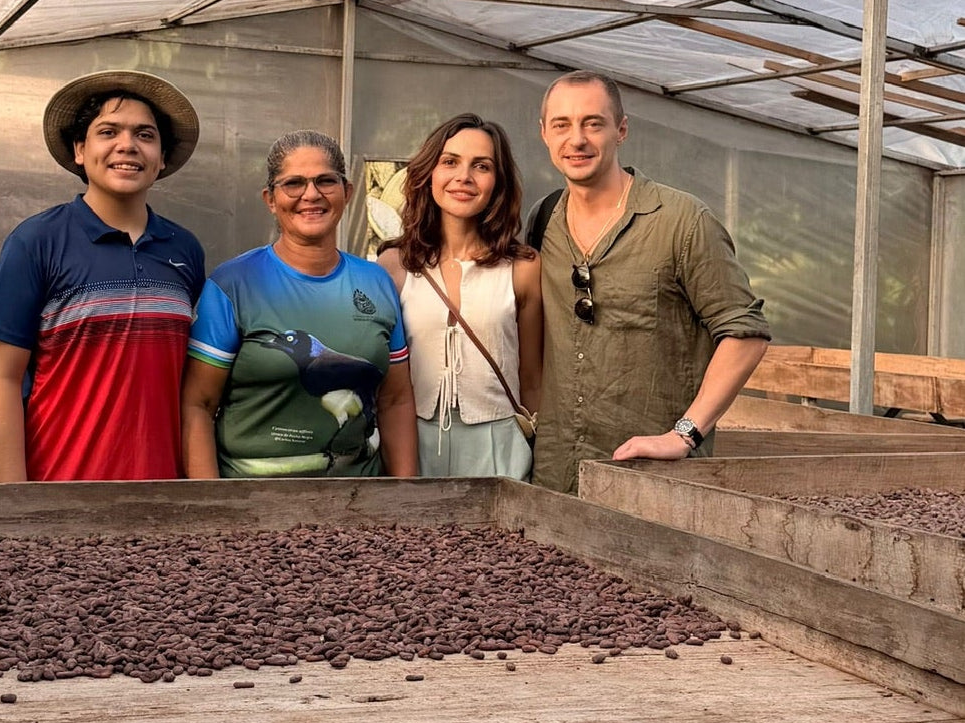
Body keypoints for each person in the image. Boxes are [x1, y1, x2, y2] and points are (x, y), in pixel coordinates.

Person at [529, 70, 770, 493]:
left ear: (621, 130)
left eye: (593, 122)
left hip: (654, 478)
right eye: (562, 124)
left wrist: (686, 434)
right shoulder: (542, 219)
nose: (577, 139)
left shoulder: (683, 221)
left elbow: (745, 332)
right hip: (555, 469)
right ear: (544, 133)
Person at [0, 70, 205, 482]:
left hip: (167, 494)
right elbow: (2, 377)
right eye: (108, 132)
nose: (127, 146)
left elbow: (192, 387)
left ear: (163, 157)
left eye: (145, 135)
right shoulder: (36, 242)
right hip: (62, 489)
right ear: (80, 150)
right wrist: (14, 501)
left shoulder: (184, 250)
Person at [182, 130, 417, 478]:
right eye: (293, 183)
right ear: (270, 199)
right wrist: (215, 511)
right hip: (251, 499)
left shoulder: (376, 282)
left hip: (360, 501)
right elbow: (198, 405)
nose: (311, 194)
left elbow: (395, 400)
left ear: (347, 192)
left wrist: (406, 499)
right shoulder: (233, 285)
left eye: (326, 181)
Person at [377, 114, 542, 479]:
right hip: (411, 441)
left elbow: (532, 377)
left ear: (498, 182)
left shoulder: (524, 267)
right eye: (449, 162)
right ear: (429, 173)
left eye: (481, 166)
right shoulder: (393, 265)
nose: (463, 177)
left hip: (499, 443)